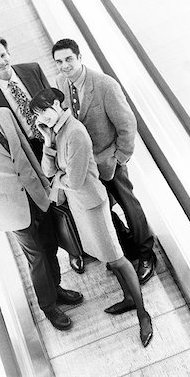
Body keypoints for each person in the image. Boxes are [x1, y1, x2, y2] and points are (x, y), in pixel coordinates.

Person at [0, 75, 83, 331]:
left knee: (50, 245)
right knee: (36, 257)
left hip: (35, 194)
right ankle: (49, 307)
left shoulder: (4, 114)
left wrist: (47, 185)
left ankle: (56, 289)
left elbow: (24, 149)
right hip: (10, 209)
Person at [30, 88, 153, 347]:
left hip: (93, 205)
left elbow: (72, 180)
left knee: (117, 259)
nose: (43, 118)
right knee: (109, 256)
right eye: (39, 116)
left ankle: (144, 314)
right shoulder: (56, 133)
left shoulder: (74, 132)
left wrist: (56, 182)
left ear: (56, 104)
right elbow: (47, 169)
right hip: (80, 205)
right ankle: (129, 299)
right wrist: (48, 144)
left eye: (45, 111)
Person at [53, 38, 156, 284]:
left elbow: (127, 125)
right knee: (103, 209)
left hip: (109, 160)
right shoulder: (60, 83)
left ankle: (145, 255)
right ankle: (125, 247)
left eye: (69, 59)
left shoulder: (104, 85)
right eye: (59, 62)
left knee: (129, 205)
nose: (65, 65)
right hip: (87, 167)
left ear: (79, 57)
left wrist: (119, 158)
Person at [0, 36, 85, 274]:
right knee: (54, 202)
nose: (1, 61)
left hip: (54, 139)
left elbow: (55, 103)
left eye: (3, 55)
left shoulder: (32, 70)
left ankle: (87, 244)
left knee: (74, 192)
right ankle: (74, 251)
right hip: (29, 153)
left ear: (9, 54)